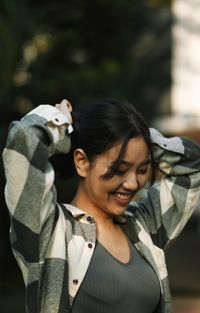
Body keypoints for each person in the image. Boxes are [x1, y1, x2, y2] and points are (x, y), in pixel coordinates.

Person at [3, 98, 200, 313]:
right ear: (82, 162)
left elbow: (192, 163)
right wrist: (64, 127)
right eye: (119, 169)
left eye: (142, 170)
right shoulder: (49, 230)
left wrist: (138, 136)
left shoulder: (144, 227)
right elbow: (24, 139)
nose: (133, 183)